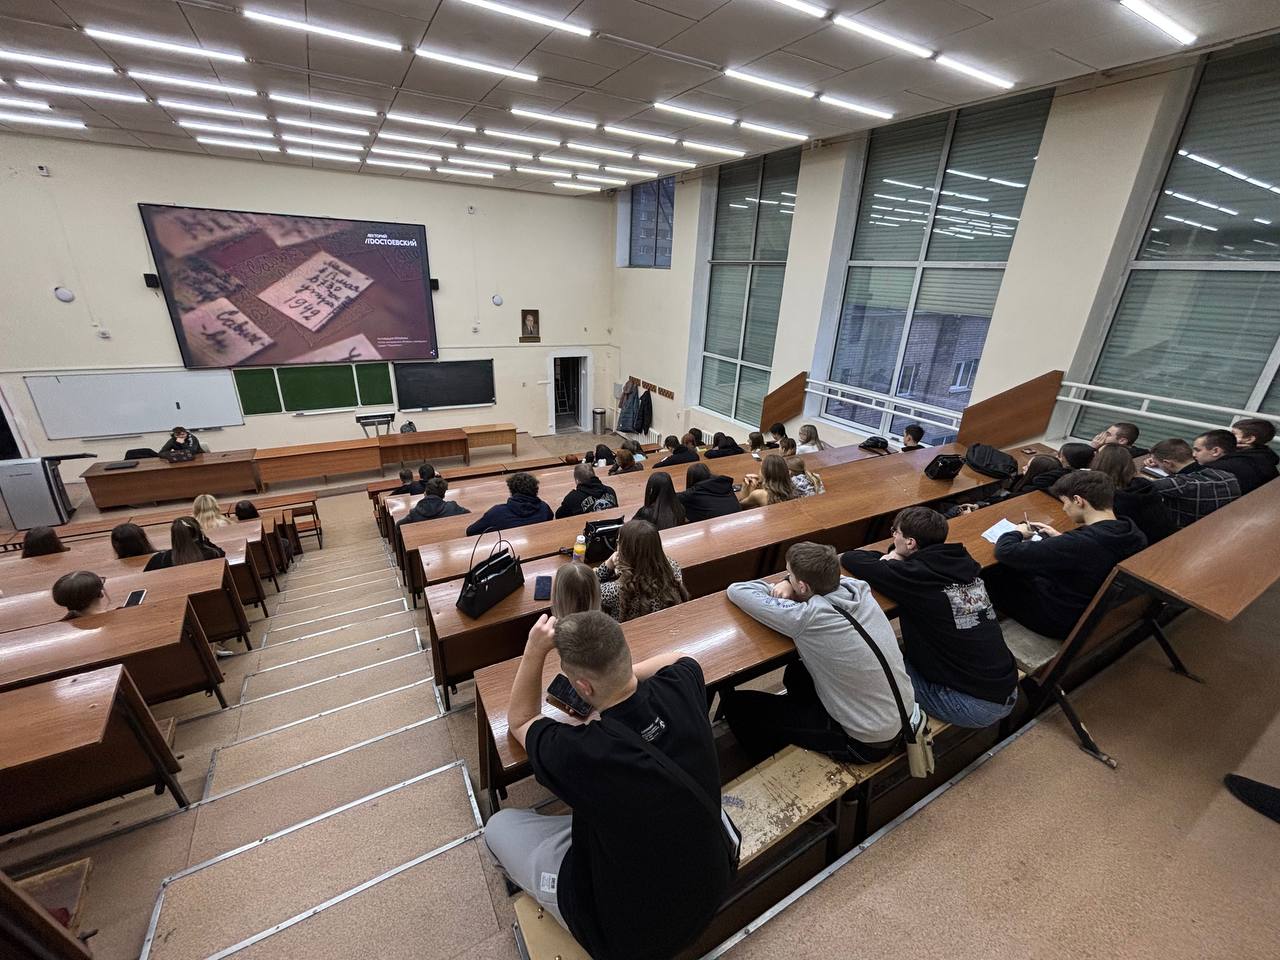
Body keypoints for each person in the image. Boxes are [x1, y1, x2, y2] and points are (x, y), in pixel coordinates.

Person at [485, 611, 732, 960]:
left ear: (583, 688)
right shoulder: (681, 684)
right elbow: (680, 657)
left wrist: (534, 648)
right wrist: (618, 680)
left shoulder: (581, 754)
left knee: (498, 827)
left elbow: (521, 719)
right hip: (714, 882)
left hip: (627, 937)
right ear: (626, 656)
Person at [721, 542, 918, 762]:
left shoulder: (806, 618)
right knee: (796, 671)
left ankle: (770, 760)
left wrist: (783, 586)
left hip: (866, 742)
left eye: (789, 574)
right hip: (904, 713)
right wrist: (788, 581)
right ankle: (800, 727)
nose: (787, 578)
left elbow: (737, 590)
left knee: (737, 705)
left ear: (803, 587)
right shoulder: (859, 588)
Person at [842, 508, 1019, 728]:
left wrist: (894, 556)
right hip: (1004, 685)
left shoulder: (914, 576)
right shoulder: (960, 561)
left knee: (876, 665)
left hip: (972, 703)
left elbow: (852, 558)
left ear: (910, 542)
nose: (893, 536)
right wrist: (899, 554)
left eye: (895, 532)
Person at [986, 471, 1148, 639]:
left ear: (1078, 500)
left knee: (991, 573)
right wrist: (1061, 539)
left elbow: (1005, 551)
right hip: (1088, 606)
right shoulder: (1133, 532)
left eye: (1065, 502)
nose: (1064, 508)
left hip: (1056, 617)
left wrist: (1017, 532)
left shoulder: (1081, 543)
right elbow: (1090, 556)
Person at [595, 519, 687, 622]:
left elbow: (587, 587)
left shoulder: (616, 590)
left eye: (618, 542)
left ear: (626, 551)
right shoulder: (672, 568)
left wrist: (608, 565)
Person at [1143, 438, 1241, 528]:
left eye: (1159, 464)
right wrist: (1160, 462)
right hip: (1223, 525)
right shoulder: (1228, 476)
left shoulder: (1179, 484)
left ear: (1167, 463)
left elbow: (1141, 486)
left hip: (1185, 532)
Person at [1091, 443, 1176, 544]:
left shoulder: (1112, 499)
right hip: (1165, 539)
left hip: (1143, 546)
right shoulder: (1144, 486)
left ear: (1098, 463)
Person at [465, 472, 553, 535]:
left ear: (511, 490)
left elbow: (470, 531)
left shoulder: (497, 512)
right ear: (535, 490)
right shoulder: (544, 507)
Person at [1193, 429, 1276, 494]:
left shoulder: (1216, 471)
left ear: (1216, 451)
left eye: (1198, 450)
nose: (1194, 454)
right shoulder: (1261, 457)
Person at [144, 517, 227, 572]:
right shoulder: (213, 553)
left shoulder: (159, 559)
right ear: (199, 534)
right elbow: (222, 554)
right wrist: (205, 540)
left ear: (174, 536)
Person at [398, 475, 470, 529]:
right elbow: (468, 514)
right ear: (443, 495)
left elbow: (398, 526)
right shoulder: (452, 507)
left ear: (425, 493)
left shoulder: (414, 513)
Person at [1023, 441, 1095, 492]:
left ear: (1069, 463)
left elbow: (1038, 480)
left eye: (1060, 456)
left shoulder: (1062, 473)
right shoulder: (1084, 473)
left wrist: (1029, 475)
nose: (1057, 457)